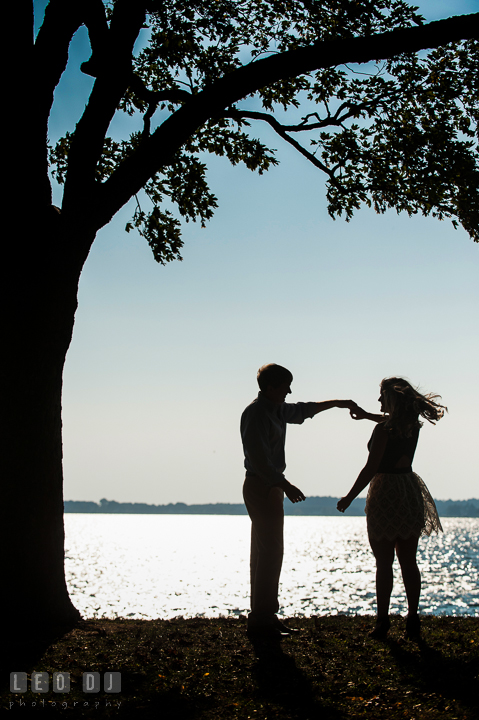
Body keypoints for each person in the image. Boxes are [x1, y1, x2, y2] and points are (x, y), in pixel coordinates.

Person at [241, 363, 359, 638]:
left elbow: (306, 409)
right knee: (268, 553)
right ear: (270, 387)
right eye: (285, 387)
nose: (289, 392)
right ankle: (261, 618)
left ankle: (263, 615)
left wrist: (340, 403)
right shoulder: (256, 413)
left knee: (265, 552)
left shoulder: (277, 410)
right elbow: (259, 459)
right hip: (262, 486)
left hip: (270, 487)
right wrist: (286, 485)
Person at [337, 377, 446, 640]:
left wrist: (349, 497)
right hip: (409, 490)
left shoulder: (383, 431)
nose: (378, 401)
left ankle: (383, 621)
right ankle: (413, 618)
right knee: (409, 561)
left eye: (381, 396)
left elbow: (371, 468)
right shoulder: (412, 426)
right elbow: (392, 424)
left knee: (384, 563)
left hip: (385, 491)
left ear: (392, 399)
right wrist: (366, 416)